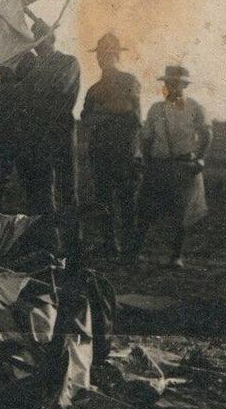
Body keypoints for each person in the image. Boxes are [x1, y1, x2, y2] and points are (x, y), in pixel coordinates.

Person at [0, 17, 82, 248]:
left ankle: (72, 246)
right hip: (37, 137)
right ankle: (48, 245)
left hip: (59, 134)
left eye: (41, 38)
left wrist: (13, 91)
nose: (38, 44)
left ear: (51, 39)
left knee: (66, 191)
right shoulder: (33, 67)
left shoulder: (67, 62)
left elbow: (44, 91)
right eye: (36, 39)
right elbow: (15, 93)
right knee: (40, 193)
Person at [132, 65, 213, 269]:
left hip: (184, 166)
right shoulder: (156, 109)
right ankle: (134, 253)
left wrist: (200, 158)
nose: (172, 87)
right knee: (145, 211)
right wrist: (147, 163)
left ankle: (176, 256)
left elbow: (206, 134)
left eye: (176, 83)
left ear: (184, 85)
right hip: (158, 165)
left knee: (181, 214)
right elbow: (147, 138)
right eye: (169, 83)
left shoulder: (195, 107)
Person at [80, 33, 141, 256]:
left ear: (117, 56)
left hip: (125, 150)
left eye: (108, 54)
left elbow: (131, 112)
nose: (102, 59)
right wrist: (113, 112)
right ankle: (109, 244)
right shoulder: (93, 89)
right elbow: (85, 118)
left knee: (127, 200)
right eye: (100, 55)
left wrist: (102, 113)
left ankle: (129, 248)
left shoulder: (129, 81)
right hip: (101, 151)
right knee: (103, 200)